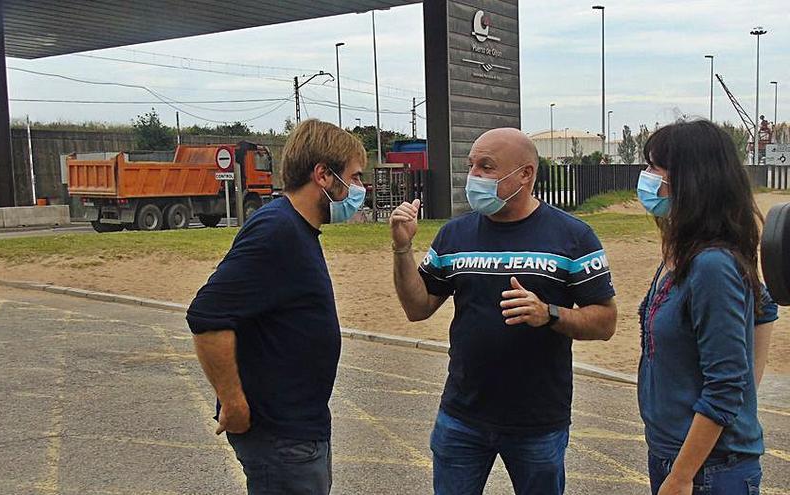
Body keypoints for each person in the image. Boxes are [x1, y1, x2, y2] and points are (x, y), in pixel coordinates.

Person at [390, 128, 618, 495]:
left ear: (525, 174)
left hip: (537, 424)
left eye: (487, 167)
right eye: (472, 166)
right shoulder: (454, 235)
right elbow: (417, 308)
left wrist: (550, 313)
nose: (474, 177)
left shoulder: (573, 237)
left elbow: (606, 321)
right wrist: (402, 250)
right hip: (462, 417)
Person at [186, 119, 366, 495]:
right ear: (323, 175)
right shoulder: (276, 230)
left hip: (300, 429)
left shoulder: (297, 228)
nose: (359, 189)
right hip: (281, 437)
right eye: (355, 177)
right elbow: (207, 317)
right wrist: (232, 401)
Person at [636, 119, 780, 495]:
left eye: (654, 167)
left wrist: (682, 475)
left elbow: (726, 382)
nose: (646, 178)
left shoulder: (712, 265)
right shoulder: (682, 253)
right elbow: (763, 308)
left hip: (710, 471)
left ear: (691, 179)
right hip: (675, 456)